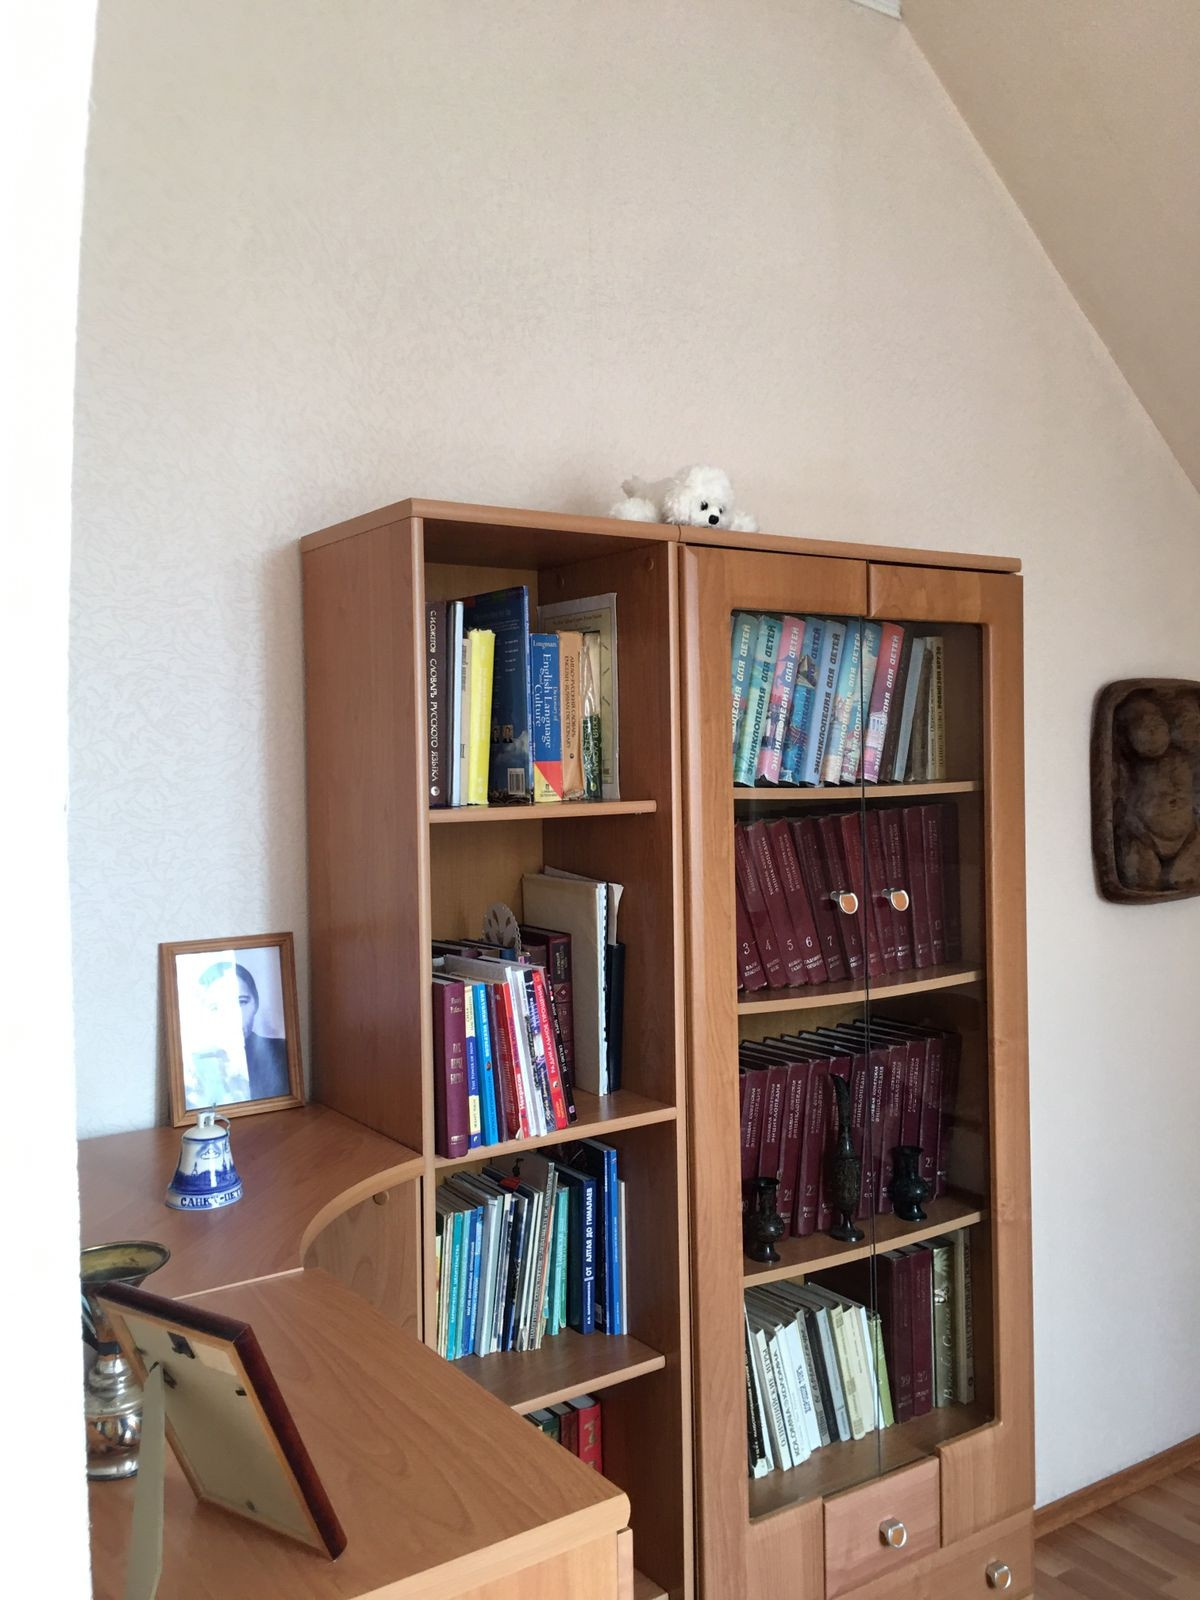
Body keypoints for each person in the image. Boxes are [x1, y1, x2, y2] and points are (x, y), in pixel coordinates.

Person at [194, 959, 290, 1103]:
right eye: (216, 1007)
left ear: (256, 1003)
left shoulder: (283, 1052)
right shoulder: (193, 1068)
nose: (231, 1016)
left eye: (241, 1002)